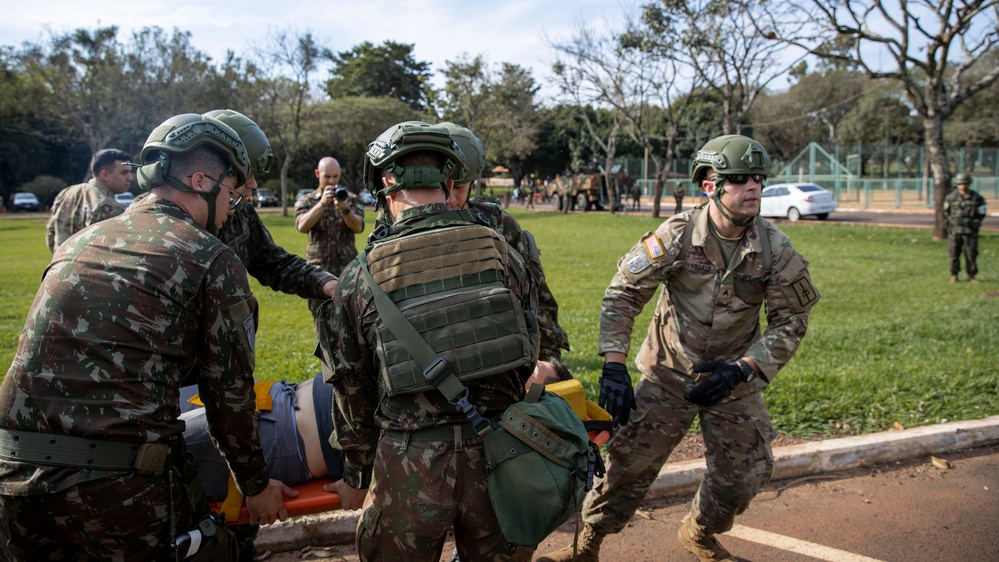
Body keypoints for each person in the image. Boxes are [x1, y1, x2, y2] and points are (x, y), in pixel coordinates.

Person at [0, 114, 294, 561]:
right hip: (119, 488)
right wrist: (254, 486)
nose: (233, 208)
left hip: (14, 478)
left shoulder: (80, 242)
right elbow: (228, 398)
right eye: (233, 195)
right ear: (201, 181)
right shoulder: (209, 256)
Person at [539, 134, 820, 562]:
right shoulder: (678, 234)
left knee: (744, 475)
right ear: (710, 186)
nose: (753, 188)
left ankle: (700, 533)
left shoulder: (774, 248)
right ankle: (586, 545)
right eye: (739, 179)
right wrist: (614, 366)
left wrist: (745, 368)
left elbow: (792, 320)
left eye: (758, 179)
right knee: (625, 469)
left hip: (732, 381)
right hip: (669, 374)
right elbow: (623, 295)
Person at [316, 121, 540, 561]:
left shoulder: (360, 276)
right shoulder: (501, 250)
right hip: (499, 456)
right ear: (450, 180)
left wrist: (359, 471)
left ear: (385, 183)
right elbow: (527, 348)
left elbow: (351, 390)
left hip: (408, 466)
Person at [440, 122, 571, 367]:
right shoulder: (410, 227)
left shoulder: (499, 224)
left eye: (459, 187)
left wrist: (547, 361)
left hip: (505, 357)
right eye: (442, 186)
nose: (450, 197)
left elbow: (538, 297)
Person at [295, 156, 365, 326]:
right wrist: (322, 204)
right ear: (317, 174)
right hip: (318, 272)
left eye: (335, 176)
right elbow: (301, 226)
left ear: (340, 173)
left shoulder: (351, 199)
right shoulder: (307, 201)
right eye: (327, 177)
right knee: (322, 320)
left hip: (347, 271)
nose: (331, 181)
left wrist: (345, 209)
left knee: (351, 320)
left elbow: (359, 228)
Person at [45, 148, 133, 252]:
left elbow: (50, 235)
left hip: (61, 264)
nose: (130, 178)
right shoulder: (110, 207)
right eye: (124, 172)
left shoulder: (66, 193)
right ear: (105, 174)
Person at [944, 172, 987, 283]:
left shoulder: (977, 198)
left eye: (965, 183)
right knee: (954, 253)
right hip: (955, 231)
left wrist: (974, 222)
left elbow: (981, 213)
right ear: (957, 184)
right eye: (960, 184)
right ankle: (954, 275)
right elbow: (946, 212)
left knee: (971, 254)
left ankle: (971, 275)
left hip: (970, 231)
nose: (963, 186)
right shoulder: (951, 197)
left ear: (969, 184)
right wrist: (951, 223)